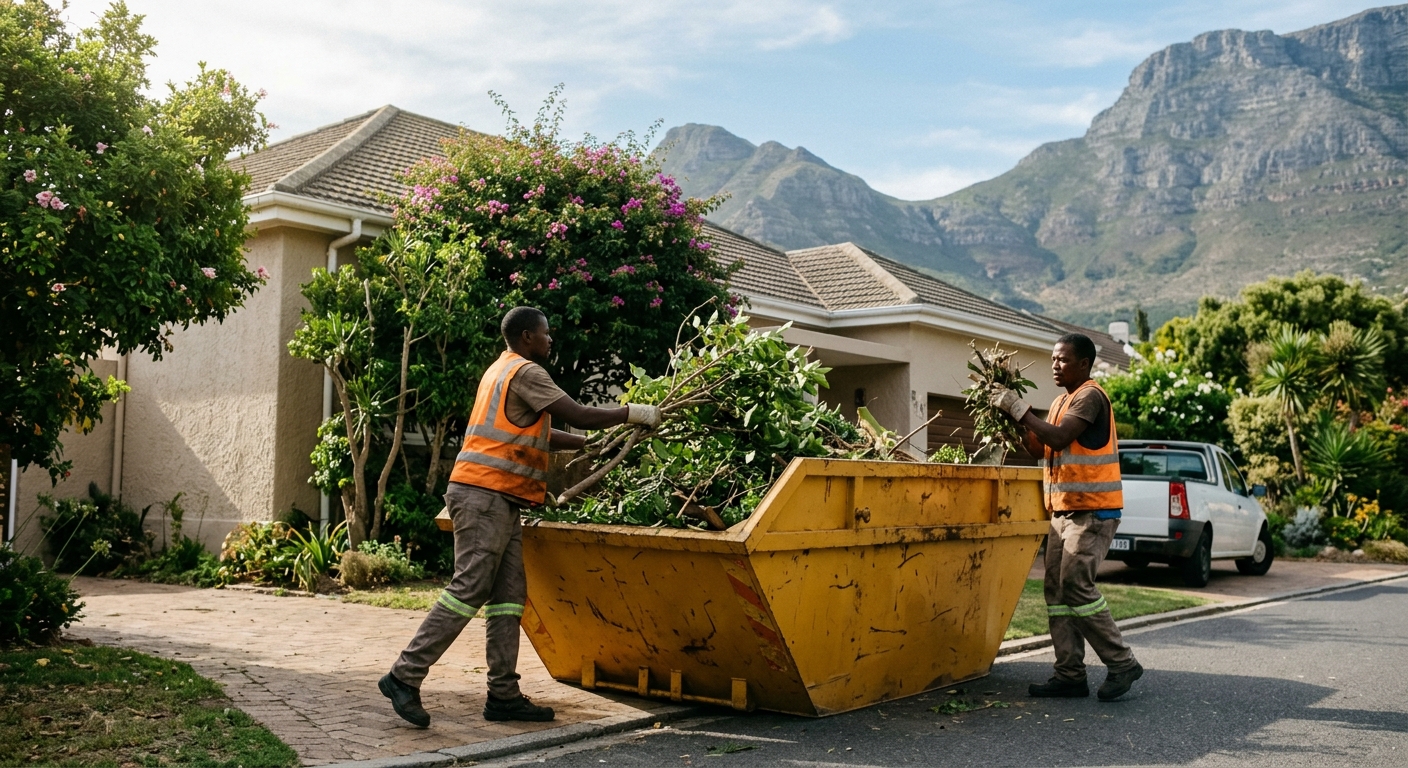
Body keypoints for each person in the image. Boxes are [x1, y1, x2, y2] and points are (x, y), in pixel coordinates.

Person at [379, 306, 661, 727]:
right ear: (528, 337)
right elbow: (578, 413)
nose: (551, 340)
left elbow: (540, 433)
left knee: (509, 596)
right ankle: (405, 674)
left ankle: (504, 696)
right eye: (546, 334)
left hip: (501, 498)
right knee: (469, 587)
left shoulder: (501, 370)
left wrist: (590, 446)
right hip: (484, 495)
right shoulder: (527, 372)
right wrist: (632, 413)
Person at [989, 332, 1143, 702]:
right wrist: (1016, 426)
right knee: (1056, 592)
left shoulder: (1090, 396)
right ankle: (1069, 674)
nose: (1054, 365)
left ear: (1084, 364)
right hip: (1063, 511)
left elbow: (1058, 438)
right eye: (1053, 359)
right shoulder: (1061, 401)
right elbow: (1041, 447)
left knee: (1075, 584)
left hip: (1092, 511)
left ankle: (1122, 662)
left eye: (1062, 360)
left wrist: (1017, 408)